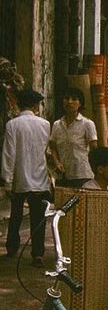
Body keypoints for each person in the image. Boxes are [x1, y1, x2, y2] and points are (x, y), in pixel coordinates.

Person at [2, 88, 52, 264]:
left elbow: (9, 154)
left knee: (15, 216)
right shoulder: (45, 124)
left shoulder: (12, 125)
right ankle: (37, 253)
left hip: (19, 178)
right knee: (38, 218)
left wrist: (7, 180)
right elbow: (45, 151)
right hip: (39, 178)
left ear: (18, 104)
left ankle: (12, 248)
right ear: (35, 105)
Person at [49, 86, 98, 189]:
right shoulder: (57, 125)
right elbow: (53, 147)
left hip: (82, 174)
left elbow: (93, 149)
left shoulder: (87, 124)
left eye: (74, 99)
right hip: (62, 175)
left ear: (80, 103)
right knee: (63, 204)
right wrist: (57, 163)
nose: (69, 102)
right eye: (67, 98)